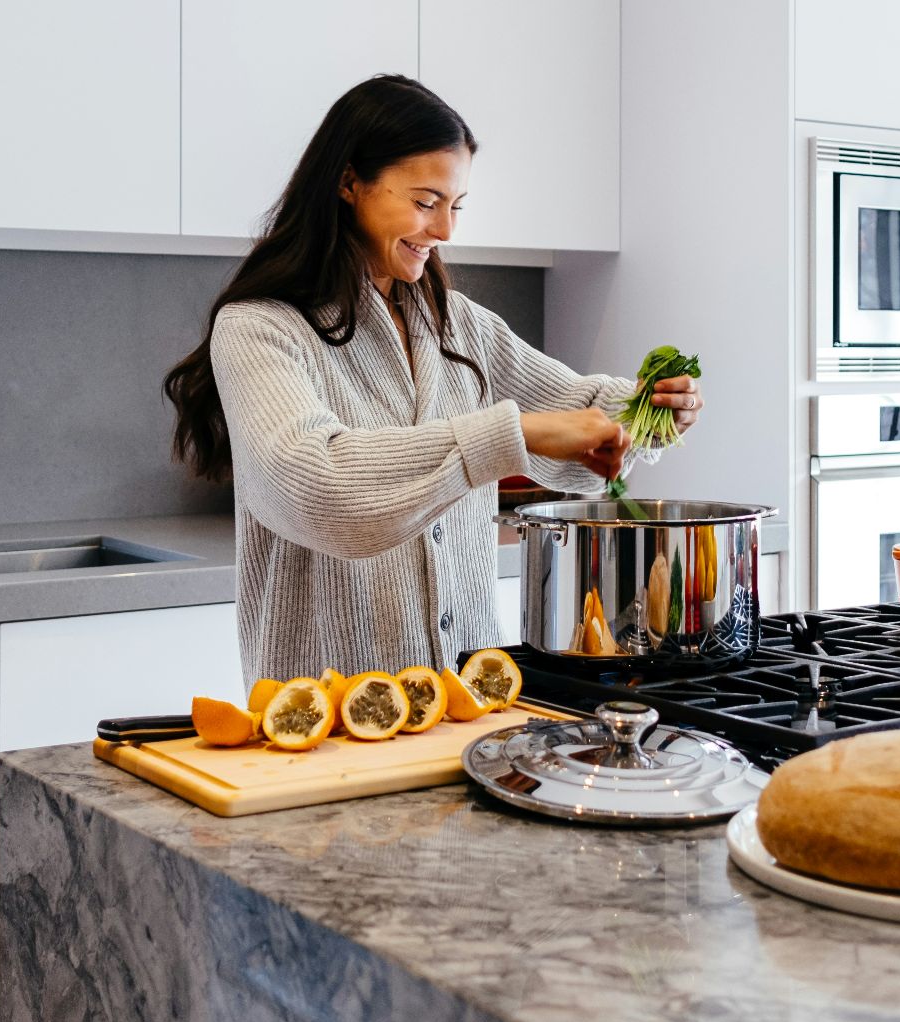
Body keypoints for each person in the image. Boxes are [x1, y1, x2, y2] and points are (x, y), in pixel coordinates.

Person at [165, 75, 704, 683]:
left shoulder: (457, 325)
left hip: (473, 700)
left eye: (456, 206)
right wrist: (511, 435)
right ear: (348, 183)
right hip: (327, 717)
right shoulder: (260, 328)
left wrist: (647, 409)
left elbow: (575, 413)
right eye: (425, 202)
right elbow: (316, 488)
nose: (446, 230)